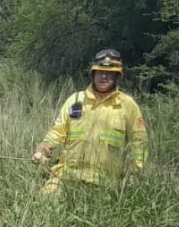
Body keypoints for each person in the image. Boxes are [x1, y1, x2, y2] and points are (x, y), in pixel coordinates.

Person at [31, 49, 148, 193]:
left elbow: (139, 142)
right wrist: (43, 150)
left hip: (106, 185)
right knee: (44, 204)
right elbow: (57, 131)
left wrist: (134, 174)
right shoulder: (75, 100)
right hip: (66, 177)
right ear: (93, 74)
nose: (104, 76)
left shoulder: (127, 105)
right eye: (99, 72)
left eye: (109, 73)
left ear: (118, 76)